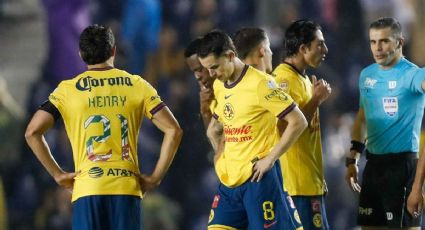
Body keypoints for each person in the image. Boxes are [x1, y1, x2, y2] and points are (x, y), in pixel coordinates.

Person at [25, 25, 183, 230]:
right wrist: (155, 177)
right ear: (113, 51)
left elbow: (32, 132)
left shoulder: (68, 89)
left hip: (87, 188)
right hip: (126, 188)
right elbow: (174, 130)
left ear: (81, 54)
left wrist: (58, 174)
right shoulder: (137, 85)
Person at [197, 30, 307, 230]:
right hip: (229, 184)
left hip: (258, 180)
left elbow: (298, 121)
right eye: (207, 69)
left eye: (214, 67)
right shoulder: (221, 86)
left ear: (231, 55)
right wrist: (220, 154)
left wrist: (270, 159)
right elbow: (216, 128)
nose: (212, 74)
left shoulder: (260, 84)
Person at [345, 17, 425, 229]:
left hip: (403, 168)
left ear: (400, 42)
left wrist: (418, 187)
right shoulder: (367, 75)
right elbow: (363, 116)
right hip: (373, 168)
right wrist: (353, 157)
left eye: (384, 41)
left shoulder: (413, 75)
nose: (377, 48)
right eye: (373, 42)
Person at [272, 19, 331, 229]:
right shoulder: (281, 81)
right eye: (320, 44)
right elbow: (282, 128)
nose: (325, 49)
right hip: (296, 187)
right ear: (303, 48)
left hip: (309, 183)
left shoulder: (304, 80)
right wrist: (315, 101)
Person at [184, 37, 217, 129]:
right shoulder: (207, 98)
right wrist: (206, 113)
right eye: (194, 72)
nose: (197, 76)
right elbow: (214, 140)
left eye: (200, 69)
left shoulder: (236, 89)